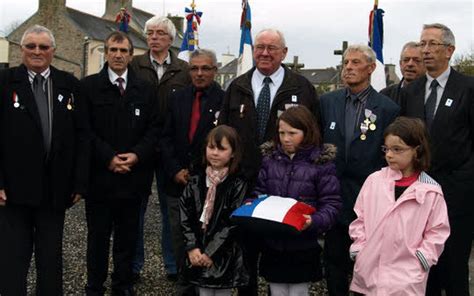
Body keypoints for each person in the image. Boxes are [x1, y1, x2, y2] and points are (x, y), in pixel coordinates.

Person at [218, 29, 320, 295]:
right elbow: (224, 133)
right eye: (259, 47)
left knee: (281, 257)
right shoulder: (237, 86)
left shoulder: (302, 88)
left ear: (284, 52)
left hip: (286, 186)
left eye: (272, 48)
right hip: (244, 183)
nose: (264, 53)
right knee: (245, 255)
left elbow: (314, 135)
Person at [0, 24, 90, 296]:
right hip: (14, 191)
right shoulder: (4, 83)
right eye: (31, 46)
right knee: (12, 259)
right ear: (21, 50)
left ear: (53, 51)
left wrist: (80, 182)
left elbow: (83, 136)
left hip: (55, 191)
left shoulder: (70, 84)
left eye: (43, 47)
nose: (37, 51)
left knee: (50, 260)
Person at [80, 31, 159, 296]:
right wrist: (108, 158)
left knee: (128, 238)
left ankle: (122, 285)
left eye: (123, 51)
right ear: (105, 51)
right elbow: (84, 130)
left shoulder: (146, 89)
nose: (118, 55)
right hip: (101, 179)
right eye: (113, 49)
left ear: (130, 54)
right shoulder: (89, 87)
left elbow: (154, 129)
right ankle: (95, 285)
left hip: (133, 179)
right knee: (98, 239)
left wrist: (137, 155)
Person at [319, 44, 400, 296]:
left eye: (355, 63)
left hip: (369, 198)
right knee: (333, 262)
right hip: (332, 195)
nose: (349, 68)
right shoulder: (326, 102)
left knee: (367, 262)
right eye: (346, 63)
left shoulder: (387, 109)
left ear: (371, 68)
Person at [400, 23, 474, 296]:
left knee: (453, 268)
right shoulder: (411, 91)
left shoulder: (467, 87)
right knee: (422, 268)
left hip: (457, 195)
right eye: (423, 44)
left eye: (433, 44)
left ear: (450, 50)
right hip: (418, 194)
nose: (426, 51)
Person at [349, 116, 450, 295]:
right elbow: (360, 219)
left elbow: (438, 232)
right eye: (386, 149)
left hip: (406, 282)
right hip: (368, 276)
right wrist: (359, 250)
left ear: (416, 151)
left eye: (397, 149)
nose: (389, 154)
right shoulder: (374, 181)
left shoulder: (431, 191)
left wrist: (421, 260)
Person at [252, 106, 341, 296]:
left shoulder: (321, 164)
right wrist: (254, 208)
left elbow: (331, 204)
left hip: (303, 243)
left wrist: (314, 221)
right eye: (281, 132)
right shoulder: (270, 160)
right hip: (274, 243)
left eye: (293, 133)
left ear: (307, 132)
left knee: (298, 291)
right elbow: (259, 192)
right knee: (276, 290)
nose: (286, 138)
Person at [130, 15, 191, 282]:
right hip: (140, 145)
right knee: (135, 210)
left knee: (172, 212)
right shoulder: (134, 65)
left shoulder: (185, 70)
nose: (154, 37)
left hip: (170, 149)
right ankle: (134, 265)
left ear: (170, 39)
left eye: (160, 33)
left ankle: (173, 265)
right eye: (150, 33)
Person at [160, 48, 224, 295]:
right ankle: (185, 287)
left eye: (205, 68)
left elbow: (226, 143)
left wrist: (205, 172)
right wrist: (175, 169)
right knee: (180, 241)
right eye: (194, 68)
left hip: (211, 184)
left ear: (215, 70)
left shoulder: (225, 99)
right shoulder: (177, 97)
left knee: (207, 242)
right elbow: (164, 137)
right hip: (178, 183)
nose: (199, 73)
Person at [179, 125, 249, 296]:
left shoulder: (237, 184)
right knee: (202, 291)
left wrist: (211, 252)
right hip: (198, 250)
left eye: (221, 148)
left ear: (233, 153)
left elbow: (233, 222)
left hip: (223, 255)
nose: (215, 153)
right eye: (211, 147)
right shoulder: (195, 181)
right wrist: (192, 247)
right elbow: (185, 216)